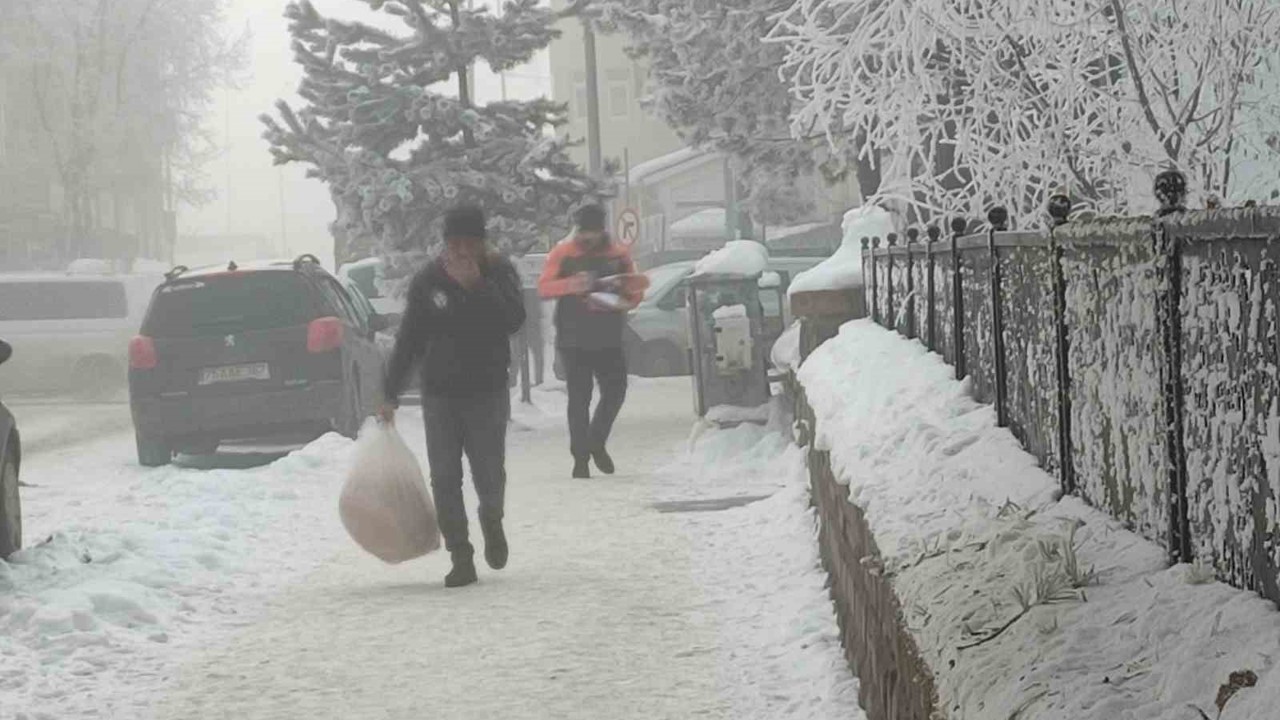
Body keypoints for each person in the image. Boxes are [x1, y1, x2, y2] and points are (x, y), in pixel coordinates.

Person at [379, 204, 526, 588]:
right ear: (444, 244)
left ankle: (492, 522)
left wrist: (478, 286)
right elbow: (409, 338)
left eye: (469, 244)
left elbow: (514, 319)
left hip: (487, 391)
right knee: (444, 477)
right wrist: (390, 391)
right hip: (440, 394)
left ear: (481, 245)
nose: (460, 252)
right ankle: (461, 555)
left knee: (489, 473)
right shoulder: (429, 280)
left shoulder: (499, 273)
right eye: (454, 244)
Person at [538, 204, 649, 479]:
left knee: (615, 391)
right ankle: (580, 459)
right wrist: (570, 285)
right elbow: (544, 287)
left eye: (594, 232)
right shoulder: (563, 254)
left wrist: (625, 293)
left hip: (608, 336)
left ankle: (595, 441)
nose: (588, 238)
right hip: (572, 338)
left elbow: (634, 293)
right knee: (579, 398)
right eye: (584, 232)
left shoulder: (618, 254)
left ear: (602, 230)